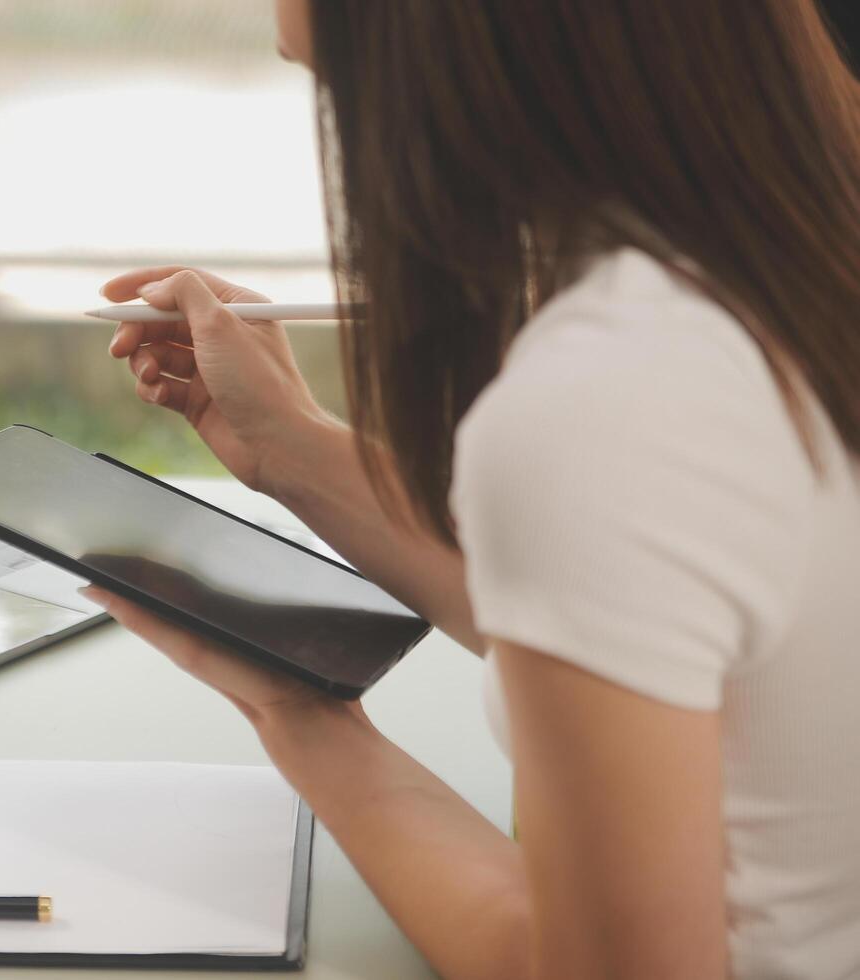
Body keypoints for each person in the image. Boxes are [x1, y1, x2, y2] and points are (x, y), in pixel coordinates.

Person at [85, 2, 860, 978]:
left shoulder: (606, 392)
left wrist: (302, 712)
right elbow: (665, 608)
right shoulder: (795, 248)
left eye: (337, 84)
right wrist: (291, 446)